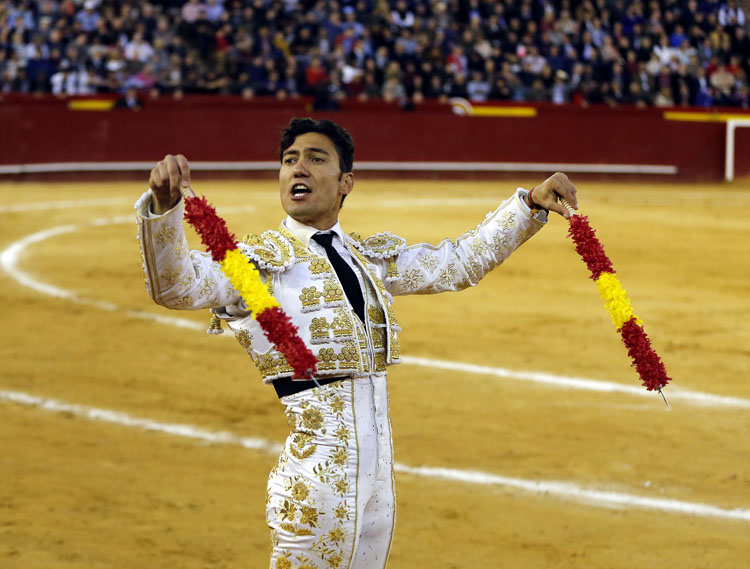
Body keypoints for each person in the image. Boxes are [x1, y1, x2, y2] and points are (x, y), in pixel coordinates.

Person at [134, 117, 578, 569]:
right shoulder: (257, 264)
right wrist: (165, 208)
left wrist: (528, 205)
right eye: (289, 160)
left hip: (378, 480)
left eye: (315, 159)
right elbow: (177, 286)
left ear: (346, 181)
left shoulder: (367, 259)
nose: (298, 168)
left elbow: (458, 263)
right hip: (316, 479)